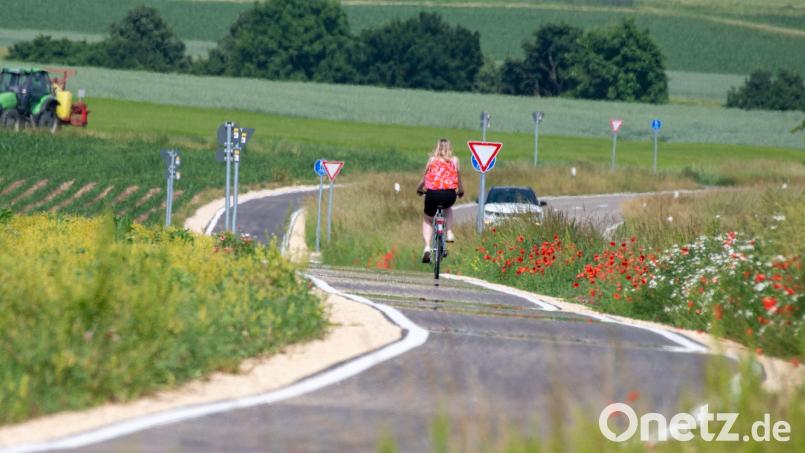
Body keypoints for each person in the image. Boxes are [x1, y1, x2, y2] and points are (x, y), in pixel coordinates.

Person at [416, 138, 463, 263]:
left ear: (437, 147)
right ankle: (449, 232)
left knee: (427, 219)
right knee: (447, 208)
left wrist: (419, 189)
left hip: (432, 195)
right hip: (449, 195)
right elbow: (458, 178)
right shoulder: (455, 160)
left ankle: (427, 247)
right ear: (450, 148)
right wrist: (461, 190)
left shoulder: (432, 160)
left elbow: (425, 178)